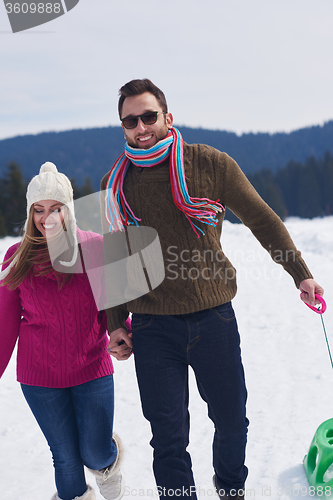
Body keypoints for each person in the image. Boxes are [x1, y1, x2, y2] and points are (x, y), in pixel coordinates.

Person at [100, 79, 324, 500]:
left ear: (168, 117)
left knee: (232, 419)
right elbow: (114, 261)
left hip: (213, 319)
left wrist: (300, 273)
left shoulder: (209, 165)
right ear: (123, 127)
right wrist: (115, 323)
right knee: (167, 437)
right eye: (130, 120)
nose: (141, 127)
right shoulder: (116, 184)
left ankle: (231, 489)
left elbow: (262, 219)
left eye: (149, 116)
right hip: (152, 327)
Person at [0, 162, 131, 500]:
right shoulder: (16, 259)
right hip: (40, 377)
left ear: (68, 210)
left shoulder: (94, 248)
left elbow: (111, 305)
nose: (47, 218)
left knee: (95, 452)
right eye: (39, 210)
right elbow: (4, 324)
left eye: (55, 208)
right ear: (31, 214)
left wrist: (124, 333)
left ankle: (108, 460)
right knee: (66, 460)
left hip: (91, 366)